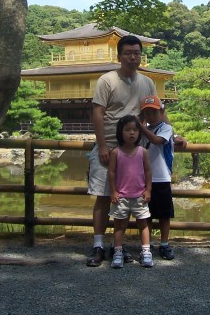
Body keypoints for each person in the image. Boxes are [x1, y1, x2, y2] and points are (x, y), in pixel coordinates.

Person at [86, 35, 185, 267]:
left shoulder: (147, 83)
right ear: (119, 56)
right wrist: (101, 146)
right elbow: (98, 113)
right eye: (128, 53)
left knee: (133, 197)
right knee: (103, 196)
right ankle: (98, 245)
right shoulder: (107, 80)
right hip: (110, 145)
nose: (133, 57)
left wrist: (173, 134)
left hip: (137, 148)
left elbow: (158, 112)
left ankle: (118, 246)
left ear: (141, 55)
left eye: (137, 53)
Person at [108, 115, 153, 268]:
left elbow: (147, 172)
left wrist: (148, 190)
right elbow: (112, 173)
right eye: (127, 130)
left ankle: (146, 251)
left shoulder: (142, 152)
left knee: (143, 224)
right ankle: (118, 251)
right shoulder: (116, 152)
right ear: (120, 132)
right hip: (121, 196)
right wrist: (113, 191)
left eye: (135, 130)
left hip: (140, 195)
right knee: (119, 225)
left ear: (139, 133)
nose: (131, 133)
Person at [139, 95, 176, 260]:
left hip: (162, 178)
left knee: (164, 214)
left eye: (154, 112)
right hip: (144, 179)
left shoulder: (166, 128)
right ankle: (147, 244)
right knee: (146, 214)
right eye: (147, 113)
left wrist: (141, 128)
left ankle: (164, 243)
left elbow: (157, 141)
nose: (151, 116)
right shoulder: (141, 130)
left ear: (162, 112)